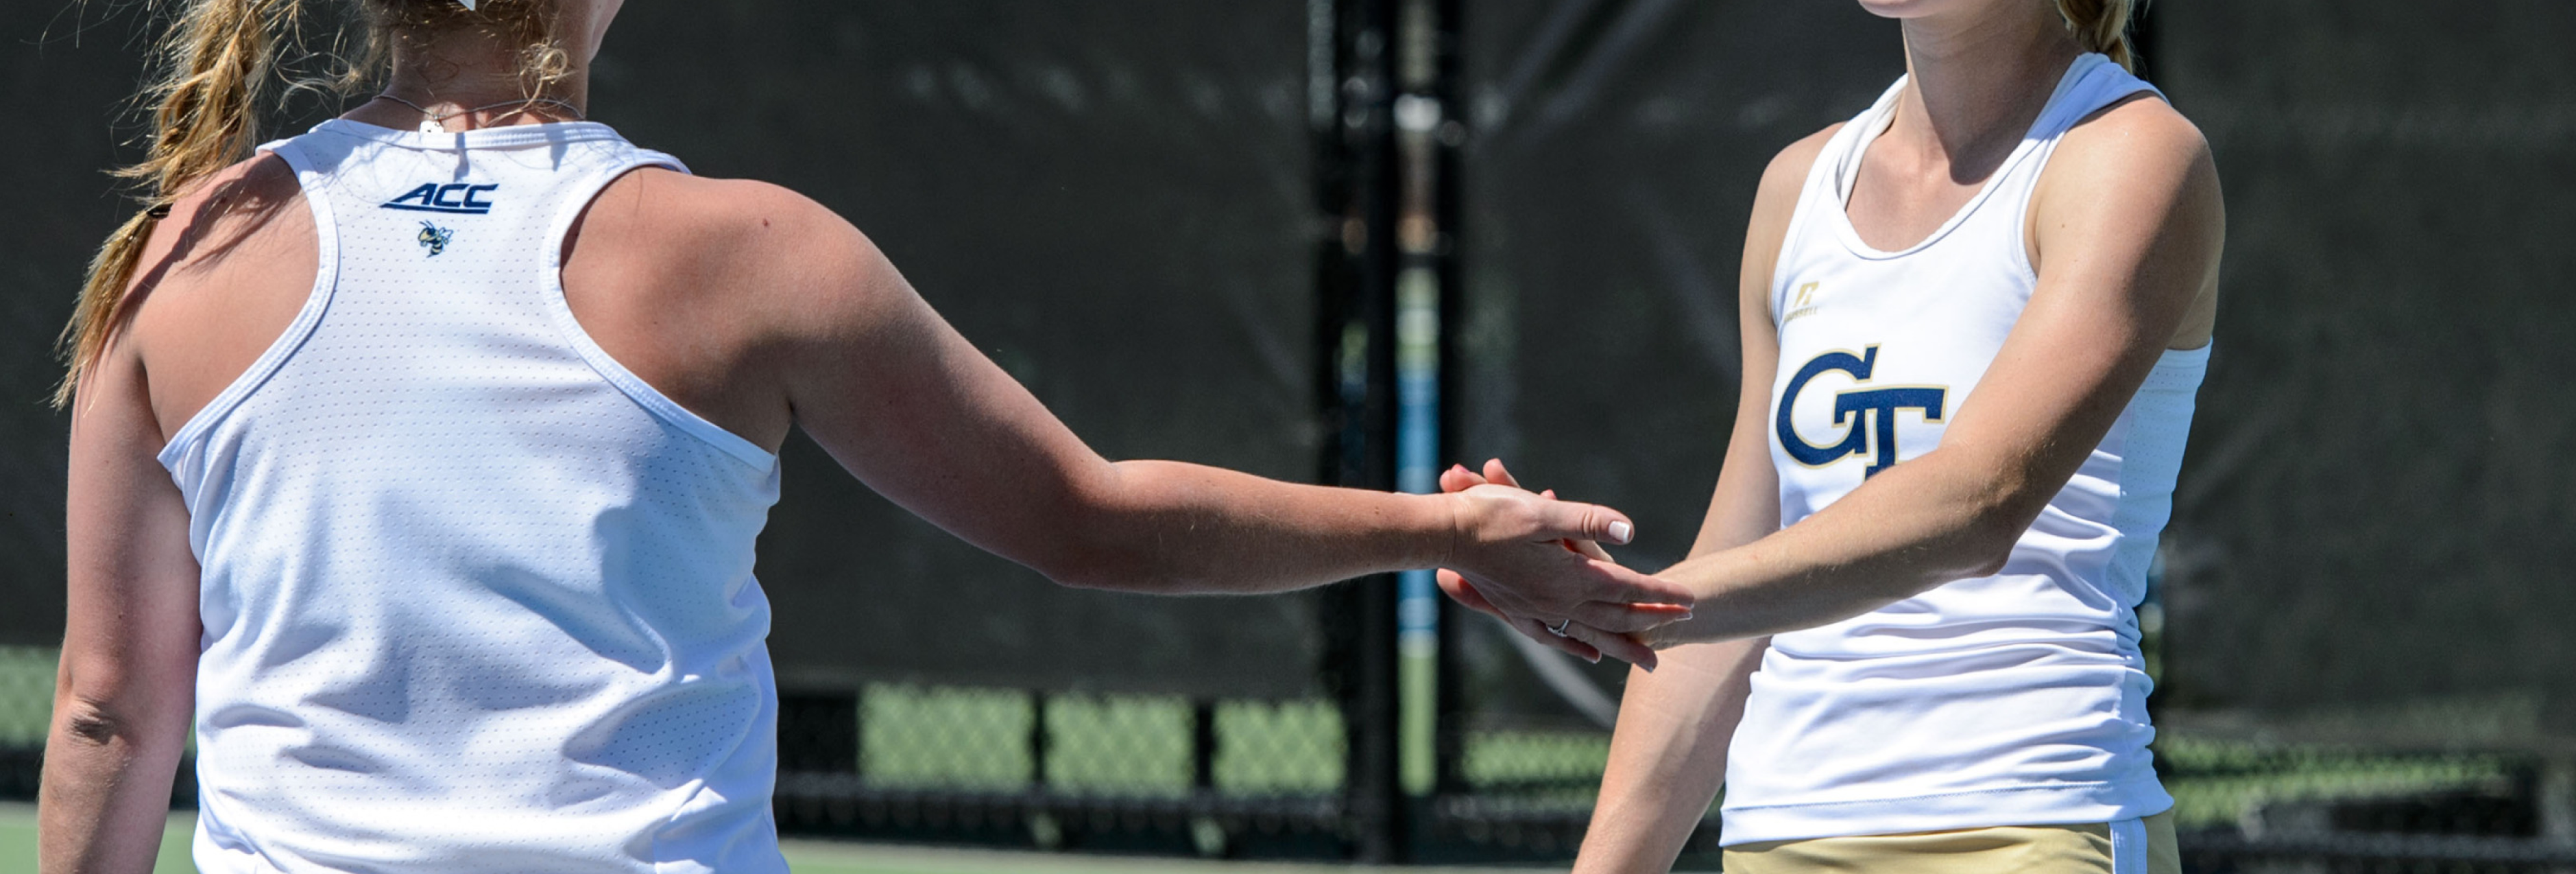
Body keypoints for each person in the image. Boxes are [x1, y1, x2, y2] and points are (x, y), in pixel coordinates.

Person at [38, 1, 1694, 871]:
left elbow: (111, 714)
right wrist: (1448, 533)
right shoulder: (750, 255)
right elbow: (1091, 519)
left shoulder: (188, 256)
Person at [1436, 0, 2223, 871]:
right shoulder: (1798, 186)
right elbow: (1742, 564)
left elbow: (1976, 501)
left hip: (2031, 817)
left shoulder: (2131, 154)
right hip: (1780, 828)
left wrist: (1625, 601)